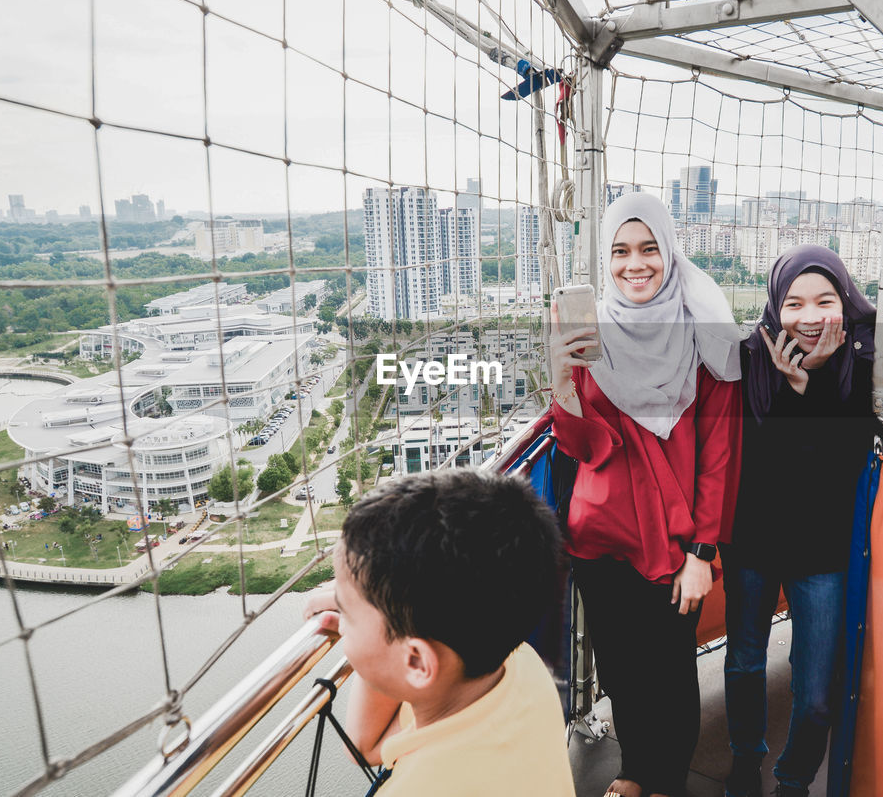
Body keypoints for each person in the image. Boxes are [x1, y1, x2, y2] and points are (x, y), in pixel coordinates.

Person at [549, 192, 743, 797]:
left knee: (671, 676)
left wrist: (704, 553)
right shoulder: (590, 332)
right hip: (599, 533)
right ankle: (636, 771)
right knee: (623, 672)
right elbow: (585, 445)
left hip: (675, 542)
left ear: (669, 252)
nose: (635, 264)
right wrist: (561, 380)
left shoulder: (705, 336)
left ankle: (664, 781)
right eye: (620, 252)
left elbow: (719, 452)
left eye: (648, 249)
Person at [301, 468, 574, 797]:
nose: (340, 620)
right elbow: (366, 745)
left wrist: (372, 606)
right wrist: (372, 605)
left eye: (345, 613)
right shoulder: (519, 667)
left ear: (416, 661)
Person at [722, 245, 876, 797]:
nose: (810, 317)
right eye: (794, 304)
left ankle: (793, 780)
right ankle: (745, 759)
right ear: (774, 306)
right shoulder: (747, 357)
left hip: (820, 548)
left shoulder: (862, 361)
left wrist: (809, 385)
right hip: (753, 539)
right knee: (743, 662)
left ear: (845, 301)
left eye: (825, 301)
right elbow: (756, 459)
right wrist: (791, 388)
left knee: (816, 691)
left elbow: (842, 464)